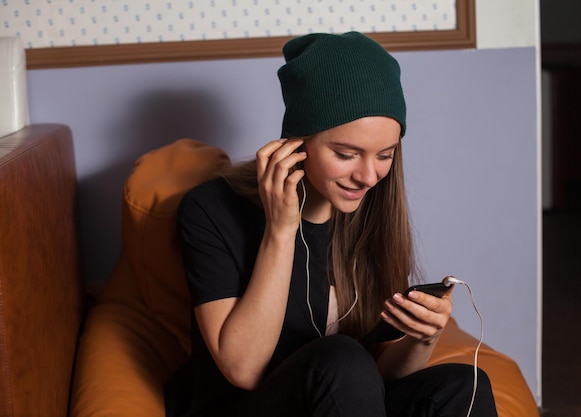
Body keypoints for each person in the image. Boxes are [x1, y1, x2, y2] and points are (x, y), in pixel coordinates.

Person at [174, 31, 498, 417]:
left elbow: (377, 375)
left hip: (341, 399)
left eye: (385, 155)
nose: (367, 176)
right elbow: (242, 368)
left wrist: (422, 337)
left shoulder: (370, 212)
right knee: (343, 357)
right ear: (296, 143)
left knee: (464, 387)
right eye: (346, 154)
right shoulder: (210, 208)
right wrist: (281, 230)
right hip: (245, 408)